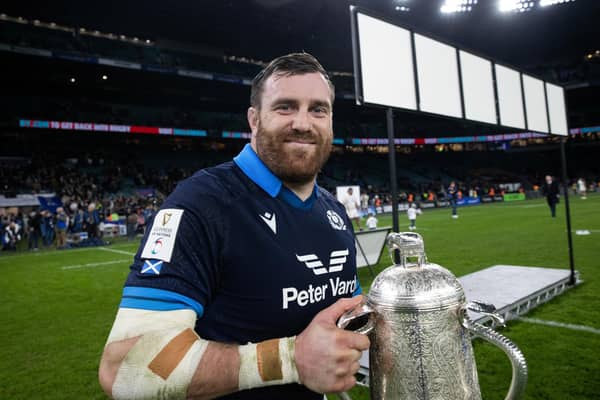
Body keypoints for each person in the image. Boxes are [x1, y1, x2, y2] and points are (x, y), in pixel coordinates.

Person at [99, 53, 368, 400]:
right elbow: (125, 366)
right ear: (254, 120)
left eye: (318, 109)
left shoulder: (333, 211)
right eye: (285, 107)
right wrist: (290, 359)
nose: (303, 123)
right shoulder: (200, 204)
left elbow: (340, 320)